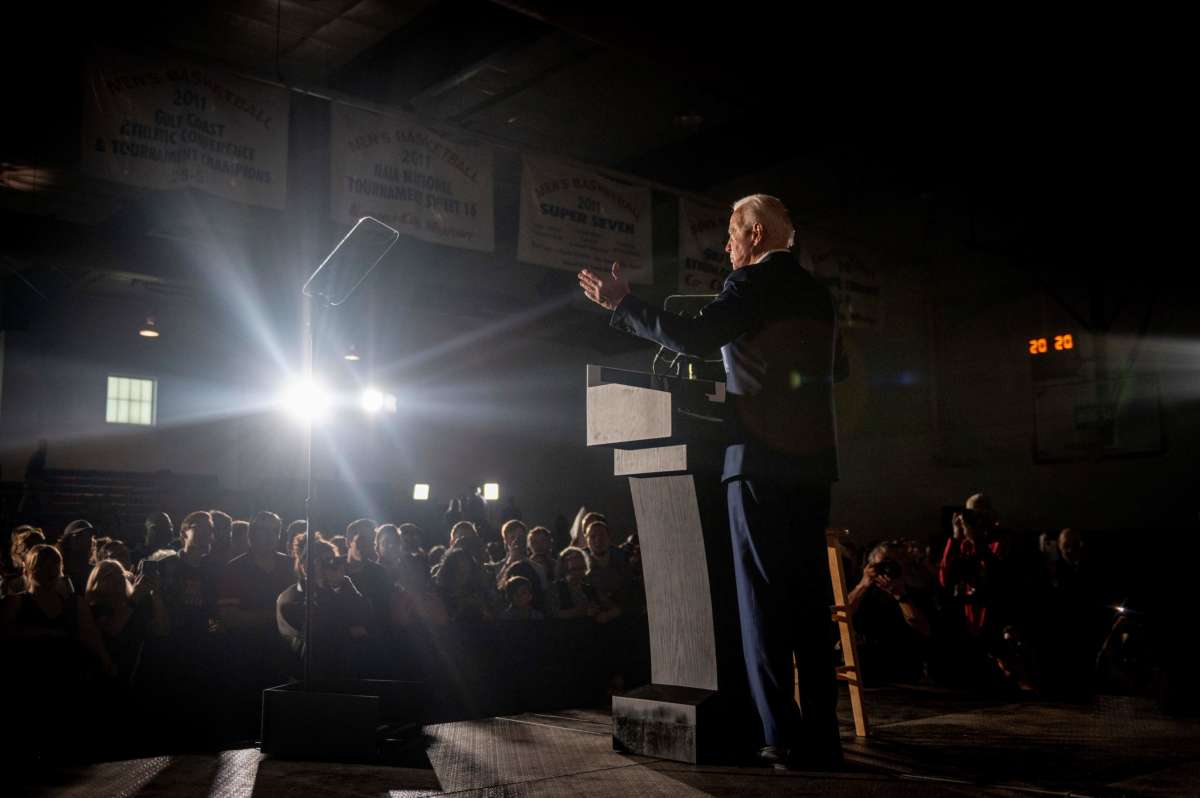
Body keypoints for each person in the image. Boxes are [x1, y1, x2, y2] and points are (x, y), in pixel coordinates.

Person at [579, 193, 847, 769]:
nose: (726, 247)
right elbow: (835, 368)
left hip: (758, 464)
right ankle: (822, 737)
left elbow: (696, 338)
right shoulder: (818, 293)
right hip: (813, 465)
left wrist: (624, 303)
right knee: (808, 605)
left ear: (753, 235)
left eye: (729, 236)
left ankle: (780, 736)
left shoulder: (749, 286)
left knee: (764, 606)